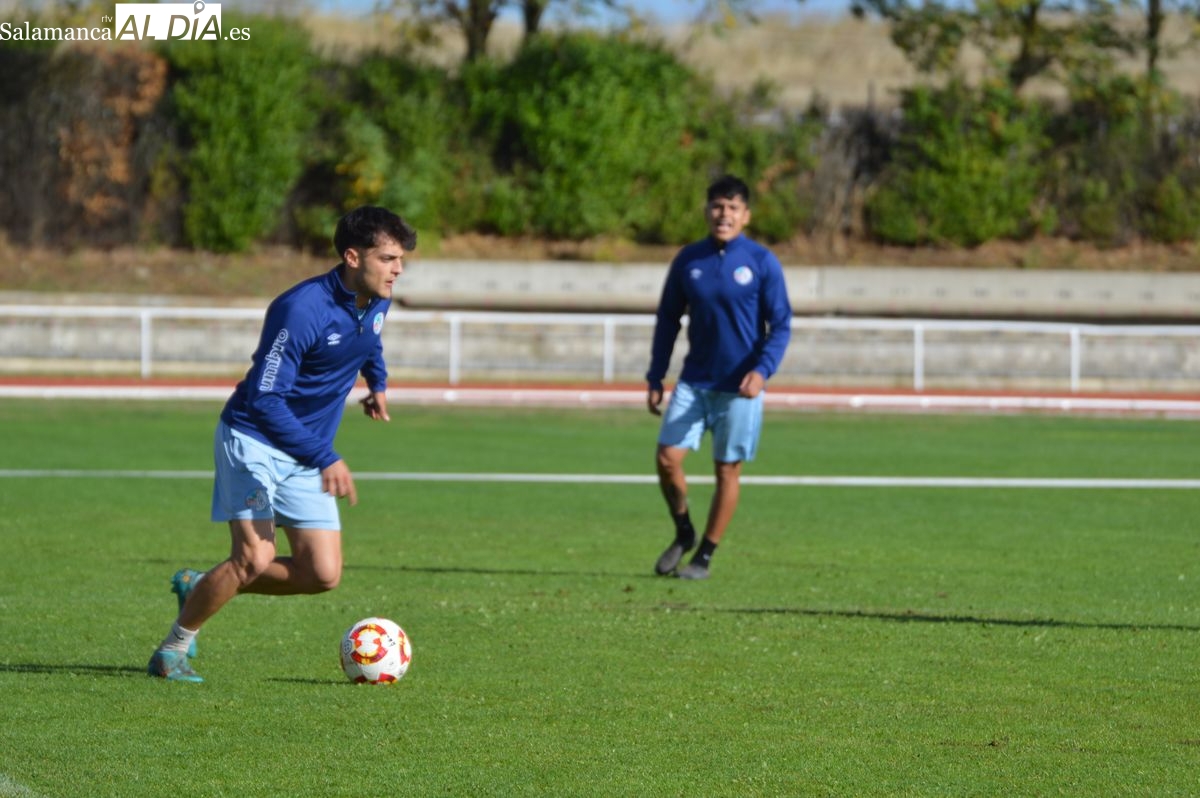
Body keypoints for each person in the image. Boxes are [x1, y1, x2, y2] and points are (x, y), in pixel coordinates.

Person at [147, 205, 417, 682]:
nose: (399, 269)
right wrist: (325, 455)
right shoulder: (300, 309)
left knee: (322, 575)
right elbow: (265, 399)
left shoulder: (377, 296)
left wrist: (378, 382)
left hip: (303, 451)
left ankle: (201, 585)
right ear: (353, 257)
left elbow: (369, 340)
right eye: (389, 258)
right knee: (254, 557)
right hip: (253, 440)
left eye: (401, 259)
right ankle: (172, 650)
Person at [646, 175, 792, 580]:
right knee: (666, 459)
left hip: (740, 390)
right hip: (694, 382)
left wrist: (762, 371)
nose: (723, 214)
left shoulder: (762, 262)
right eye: (716, 206)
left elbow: (780, 324)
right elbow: (667, 321)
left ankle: (704, 556)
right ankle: (684, 531)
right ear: (706, 210)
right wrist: (656, 374)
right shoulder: (688, 260)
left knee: (727, 470)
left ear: (746, 215)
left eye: (732, 208)